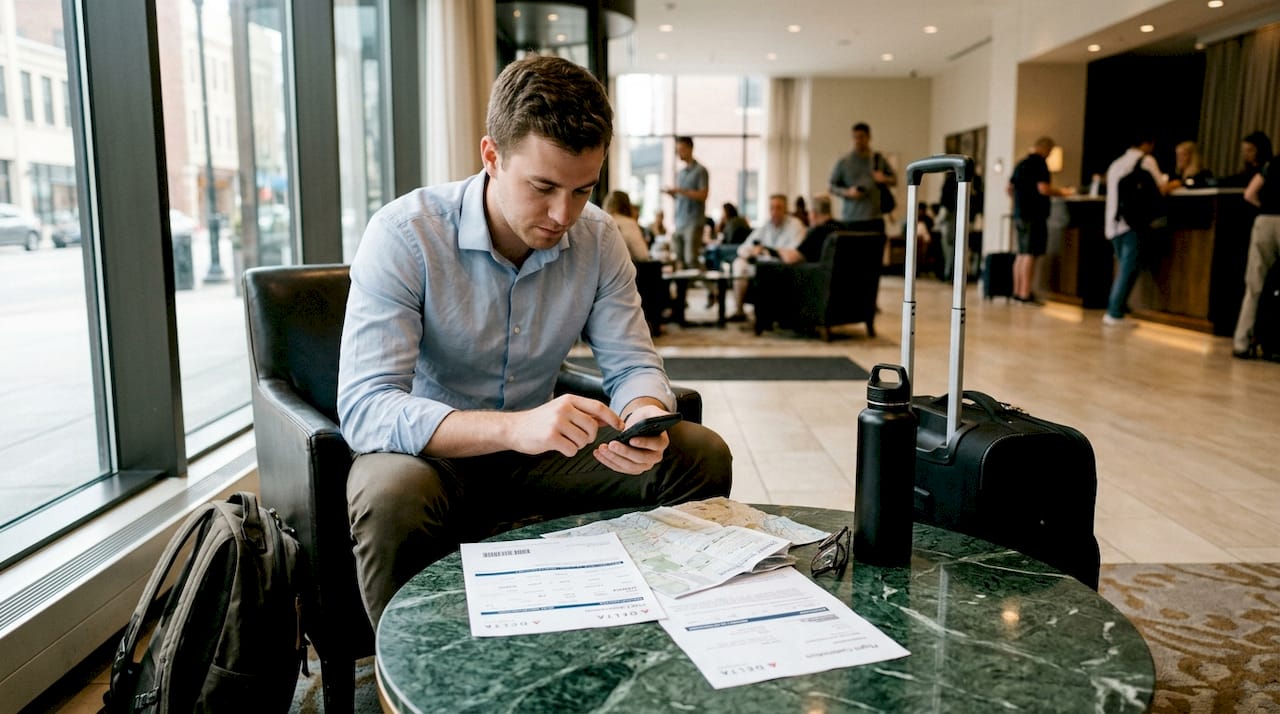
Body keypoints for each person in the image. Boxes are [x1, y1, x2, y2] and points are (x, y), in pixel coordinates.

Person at [337, 55, 733, 627]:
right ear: (492, 156)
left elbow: (632, 363)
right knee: (388, 493)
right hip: (432, 456)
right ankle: (417, 687)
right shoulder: (405, 234)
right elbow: (367, 406)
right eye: (543, 187)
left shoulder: (598, 238)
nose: (562, 214)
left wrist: (643, 412)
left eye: (582, 190)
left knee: (699, 454)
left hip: (548, 454)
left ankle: (644, 638)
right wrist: (514, 427)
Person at [1102, 132, 1174, 327]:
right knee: (1128, 269)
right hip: (1132, 223)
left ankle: (1119, 308)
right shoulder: (1146, 160)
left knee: (1125, 268)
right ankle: (1115, 312)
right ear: (1147, 144)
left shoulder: (1116, 164)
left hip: (1113, 222)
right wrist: (1176, 184)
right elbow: (1162, 188)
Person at [1007, 137, 1073, 304]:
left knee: (1021, 253)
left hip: (1019, 213)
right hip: (1034, 214)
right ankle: (1025, 294)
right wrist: (1063, 193)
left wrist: (1018, 203)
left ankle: (1017, 292)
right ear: (1046, 149)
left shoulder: (1021, 163)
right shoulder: (1040, 164)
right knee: (1030, 253)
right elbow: (1043, 189)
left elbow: (1009, 188)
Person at [727, 193, 806, 322]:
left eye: (778, 208)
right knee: (739, 264)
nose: (774, 212)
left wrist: (767, 251)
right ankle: (739, 311)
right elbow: (742, 249)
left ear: (786, 209)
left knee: (765, 270)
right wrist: (753, 251)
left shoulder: (795, 226)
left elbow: (794, 253)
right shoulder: (765, 226)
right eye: (771, 208)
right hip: (762, 266)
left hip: (784, 268)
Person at [1231, 157, 1279, 359]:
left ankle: (1241, 342)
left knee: (1254, 286)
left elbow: (1249, 194)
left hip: (1265, 220)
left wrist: (1265, 206)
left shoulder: (1273, 164)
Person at [829, 122, 897, 233]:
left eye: (861, 137)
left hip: (875, 219)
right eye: (855, 137)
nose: (858, 141)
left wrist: (884, 178)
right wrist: (848, 192)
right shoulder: (844, 162)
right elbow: (832, 186)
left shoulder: (878, 159)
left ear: (869, 137)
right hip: (851, 219)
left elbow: (894, 180)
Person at [664, 136, 709, 269]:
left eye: (682, 149)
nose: (679, 153)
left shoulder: (700, 171)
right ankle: (681, 290)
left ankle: (712, 287)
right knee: (679, 260)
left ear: (690, 149)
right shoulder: (681, 173)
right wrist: (674, 194)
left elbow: (703, 195)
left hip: (693, 222)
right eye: (677, 150)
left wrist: (681, 191)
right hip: (679, 221)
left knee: (691, 259)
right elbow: (682, 197)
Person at [602, 190, 650, 262]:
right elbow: (642, 255)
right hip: (622, 271)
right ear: (626, 205)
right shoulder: (629, 223)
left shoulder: (600, 221)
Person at [796, 194, 846, 263]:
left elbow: (794, 257)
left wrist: (778, 251)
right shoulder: (844, 228)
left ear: (813, 213)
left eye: (808, 212)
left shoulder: (818, 232)